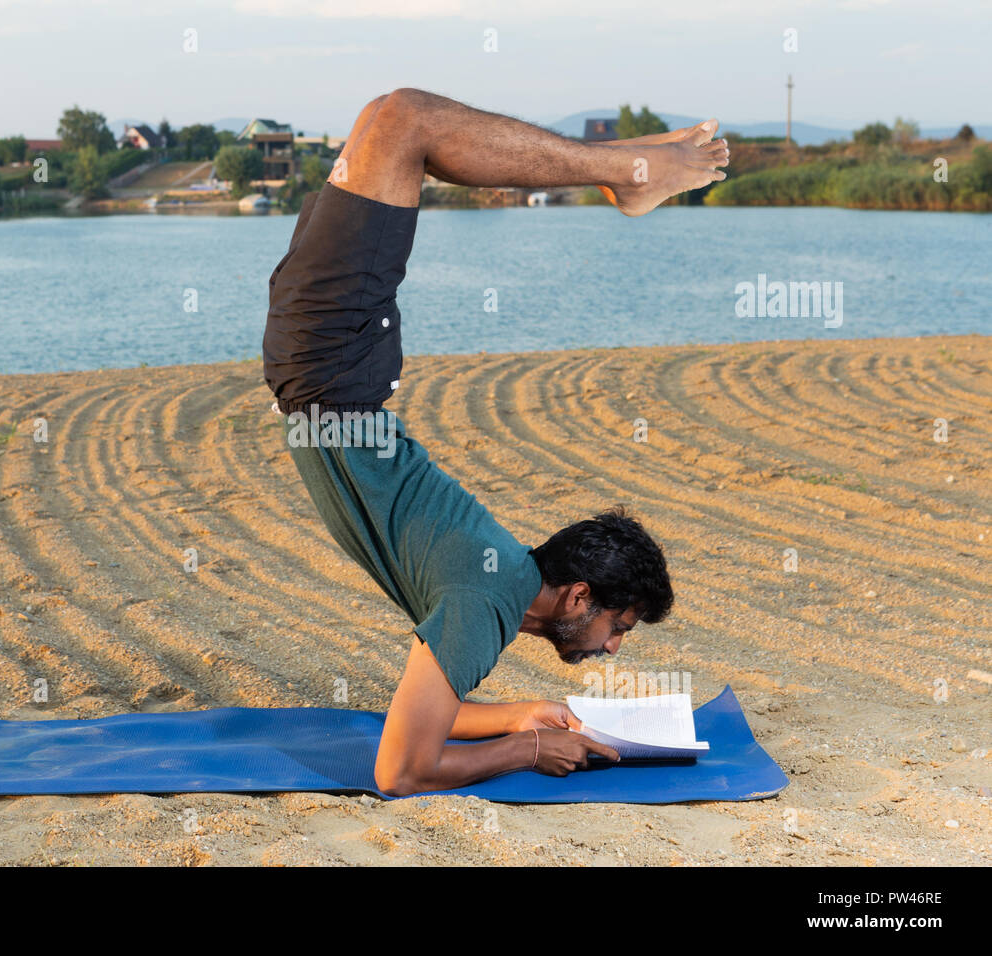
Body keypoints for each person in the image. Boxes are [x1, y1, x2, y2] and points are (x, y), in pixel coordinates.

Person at [262, 88, 725, 796]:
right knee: (401, 120)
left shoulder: (497, 588)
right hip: (332, 366)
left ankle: (622, 168)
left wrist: (519, 716)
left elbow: (417, 727)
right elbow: (401, 772)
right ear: (578, 597)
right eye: (619, 626)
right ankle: (624, 172)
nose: (613, 647)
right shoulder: (487, 602)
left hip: (326, 368)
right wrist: (526, 749)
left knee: (393, 120)